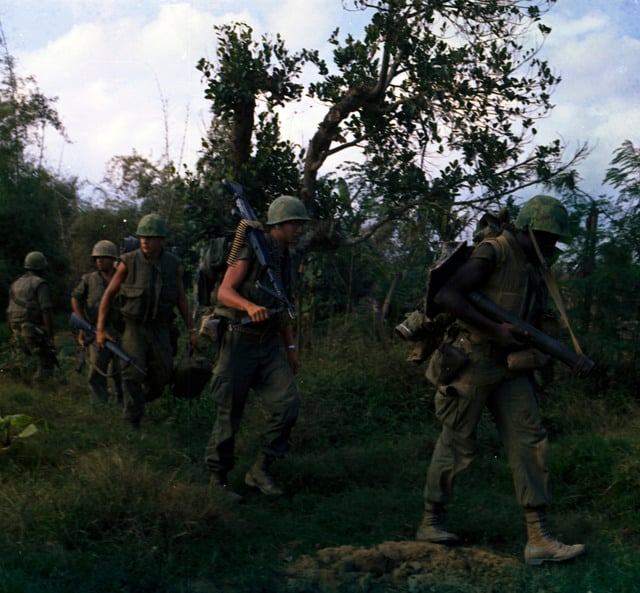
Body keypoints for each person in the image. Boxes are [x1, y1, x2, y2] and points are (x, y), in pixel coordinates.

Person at [415, 195, 586, 566]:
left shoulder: (535, 266)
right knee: (456, 443)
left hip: (512, 366)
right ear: (526, 230)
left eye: (553, 239)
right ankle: (431, 522)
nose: (550, 246)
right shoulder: (496, 251)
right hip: (472, 359)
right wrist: (495, 329)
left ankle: (538, 538)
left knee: (530, 442)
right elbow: (448, 295)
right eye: (545, 237)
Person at [204, 195, 310, 501]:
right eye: (293, 224)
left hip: (270, 345)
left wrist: (290, 347)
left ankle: (261, 468)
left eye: (300, 224)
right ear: (277, 226)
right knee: (229, 413)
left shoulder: (286, 259)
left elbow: (282, 305)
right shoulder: (252, 249)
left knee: (288, 404)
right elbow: (225, 292)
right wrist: (249, 306)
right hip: (240, 341)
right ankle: (218, 478)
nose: (299, 230)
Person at [95, 214, 198, 428]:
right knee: (131, 371)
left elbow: (181, 299)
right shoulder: (128, 261)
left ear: (161, 240)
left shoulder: (173, 265)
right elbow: (109, 295)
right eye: (142, 236)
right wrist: (100, 329)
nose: (145, 241)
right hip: (134, 326)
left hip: (160, 326)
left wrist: (192, 330)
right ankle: (133, 419)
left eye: (150, 237)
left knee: (164, 372)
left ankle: (142, 400)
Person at [71, 240, 124, 404]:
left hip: (121, 330)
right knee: (96, 369)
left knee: (120, 369)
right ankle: (99, 404)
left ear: (113, 259)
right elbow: (75, 298)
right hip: (96, 330)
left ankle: (122, 401)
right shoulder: (89, 279)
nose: (99, 260)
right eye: (97, 257)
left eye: (104, 257)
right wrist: (82, 322)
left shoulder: (123, 277)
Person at [6, 251, 57, 384]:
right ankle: (41, 391)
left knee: (22, 361)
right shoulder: (40, 283)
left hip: (15, 329)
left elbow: (9, 311)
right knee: (46, 362)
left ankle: (20, 388)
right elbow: (46, 310)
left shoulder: (15, 284)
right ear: (42, 267)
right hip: (32, 329)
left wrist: (12, 332)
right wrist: (50, 336)